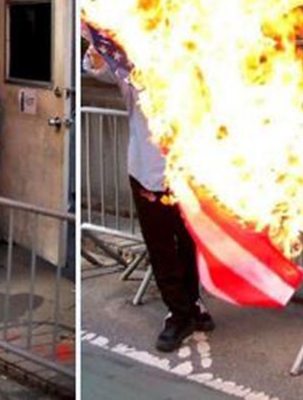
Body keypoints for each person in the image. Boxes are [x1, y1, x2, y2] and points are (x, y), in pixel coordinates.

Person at [84, 44, 214, 353]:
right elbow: (96, 67)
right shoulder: (132, 78)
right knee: (161, 247)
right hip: (147, 174)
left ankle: (193, 302)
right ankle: (178, 314)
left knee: (190, 242)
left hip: (190, 176)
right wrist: (97, 50)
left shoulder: (193, 77)